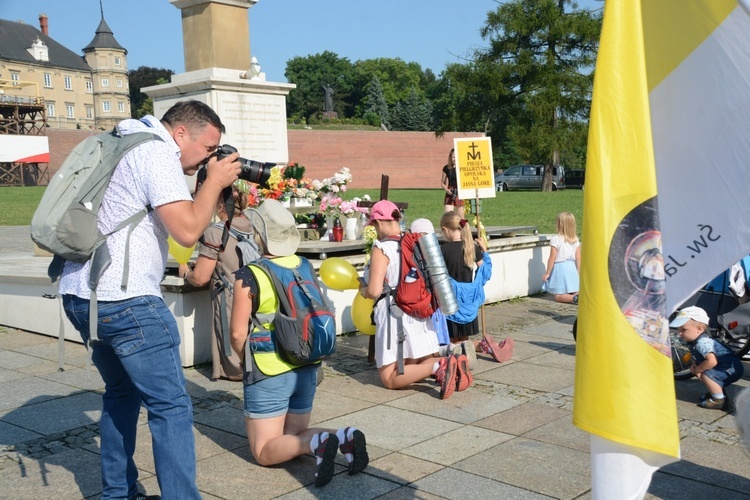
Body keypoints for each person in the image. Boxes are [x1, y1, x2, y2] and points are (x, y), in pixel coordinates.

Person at [60, 99, 242, 499]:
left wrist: (203, 180)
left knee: (121, 394)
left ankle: (116, 493)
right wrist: (213, 182)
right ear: (180, 133)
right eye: (208, 149)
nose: (209, 158)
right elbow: (188, 232)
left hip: (80, 295)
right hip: (126, 302)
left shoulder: (120, 139)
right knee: (171, 407)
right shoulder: (157, 152)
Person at [230, 199, 368, 487]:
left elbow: (236, 334)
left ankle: (317, 444)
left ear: (259, 235)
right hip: (307, 362)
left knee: (264, 451)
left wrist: (244, 362)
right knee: (289, 436)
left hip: (269, 367)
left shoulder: (250, 274)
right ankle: (343, 436)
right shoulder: (304, 265)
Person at [359, 201, 471, 400]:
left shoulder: (382, 248)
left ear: (380, 222)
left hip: (395, 314)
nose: (375, 230)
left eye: (374, 225)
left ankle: (441, 365)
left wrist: (363, 292)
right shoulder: (414, 241)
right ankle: (448, 359)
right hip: (419, 310)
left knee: (389, 378)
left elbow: (375, 290)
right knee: (416, 365)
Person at [179, 183, 253, 381]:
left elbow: (200, 277)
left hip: (230, 296)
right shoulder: (252, 225)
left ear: (219, 206)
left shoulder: (215, 232)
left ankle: (235, 369)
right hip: (255, 292)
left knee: (233, 342)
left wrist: (186, 273)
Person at [439, 210, 513, 364]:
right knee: (464, 337)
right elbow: (485, 272)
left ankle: (461, 361)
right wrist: (485, 250)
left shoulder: (444, 250)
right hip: (469, 300)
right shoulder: (472, 248)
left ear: (445, 230)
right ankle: (474, 351)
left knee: (452, 339)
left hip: (452, 302)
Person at [670, 306, 744, 410]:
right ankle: (717, 392)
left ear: (699, 329)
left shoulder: (702, 342)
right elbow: (701, 357)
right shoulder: (696, 340)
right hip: (726, 366)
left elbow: (711, 361)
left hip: (729, 368)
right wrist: (694, 364)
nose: (680, 333)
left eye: (684, 330)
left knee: (707, 374)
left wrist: (698, 369)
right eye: (679, 329)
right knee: (709, 374)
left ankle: (719, 400)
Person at [542, 212, 581, 304]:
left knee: (558, 295)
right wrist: (578, 272)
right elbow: (578, 257)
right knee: (574, 289)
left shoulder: (556, 239)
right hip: (571, 267)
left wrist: (547, 273)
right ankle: (579, 297)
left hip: (560, 268)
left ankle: (575, 299)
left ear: (559, 225)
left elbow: (552, 257)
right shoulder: (575, 239)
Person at [440, 149, 465, 218]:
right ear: (450, 157)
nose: (455, 159)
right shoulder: (446, 168)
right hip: (450, 191)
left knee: (461, 216)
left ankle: (461, 228)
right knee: (448, 215)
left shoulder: (463, 167)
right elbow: (442, 182)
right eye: (453, 157)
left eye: (456, 157)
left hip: (460, 191)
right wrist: (447, 190)